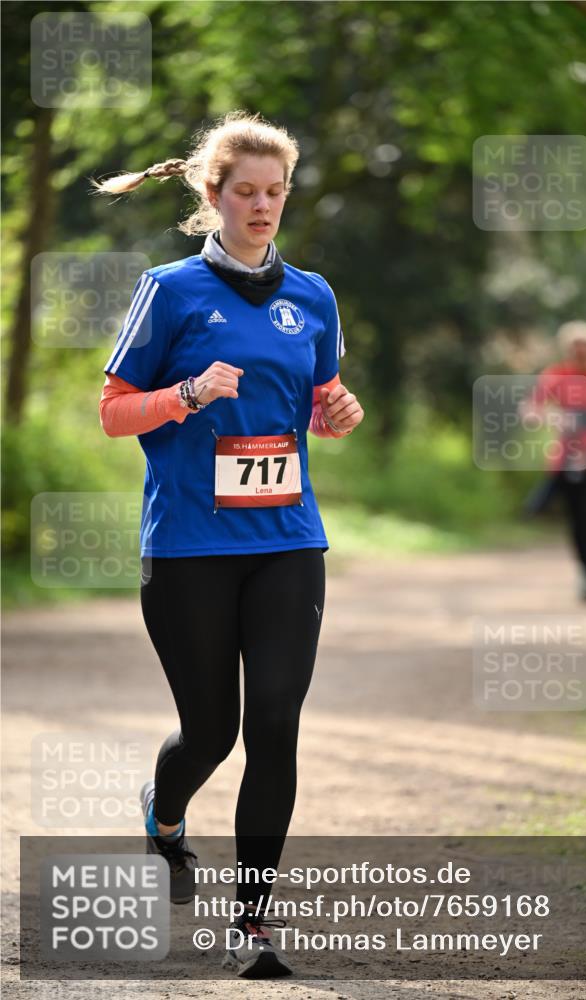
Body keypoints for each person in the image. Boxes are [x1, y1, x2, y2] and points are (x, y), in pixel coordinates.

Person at [95, 111, 364, 978]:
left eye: (274, 192)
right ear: (211, 195)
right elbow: (112, 412)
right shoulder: (170, 291)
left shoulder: (312, 295)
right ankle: (164, 816)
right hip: (187, 545)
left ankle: (253, 927)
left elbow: (321, 398)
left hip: (287, 538)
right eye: (244, 191)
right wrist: (185, 394)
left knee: (275, 726)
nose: (261, 206)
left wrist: (339, 411)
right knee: (210, 732)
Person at [525, 321, 586, 602]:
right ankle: (584, 569)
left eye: (585, 345)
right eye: (575, 345)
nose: (580, 350)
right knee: (577, 516)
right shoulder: (555, 376)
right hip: (568, 455)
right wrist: (556, 417)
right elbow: (532, 410)